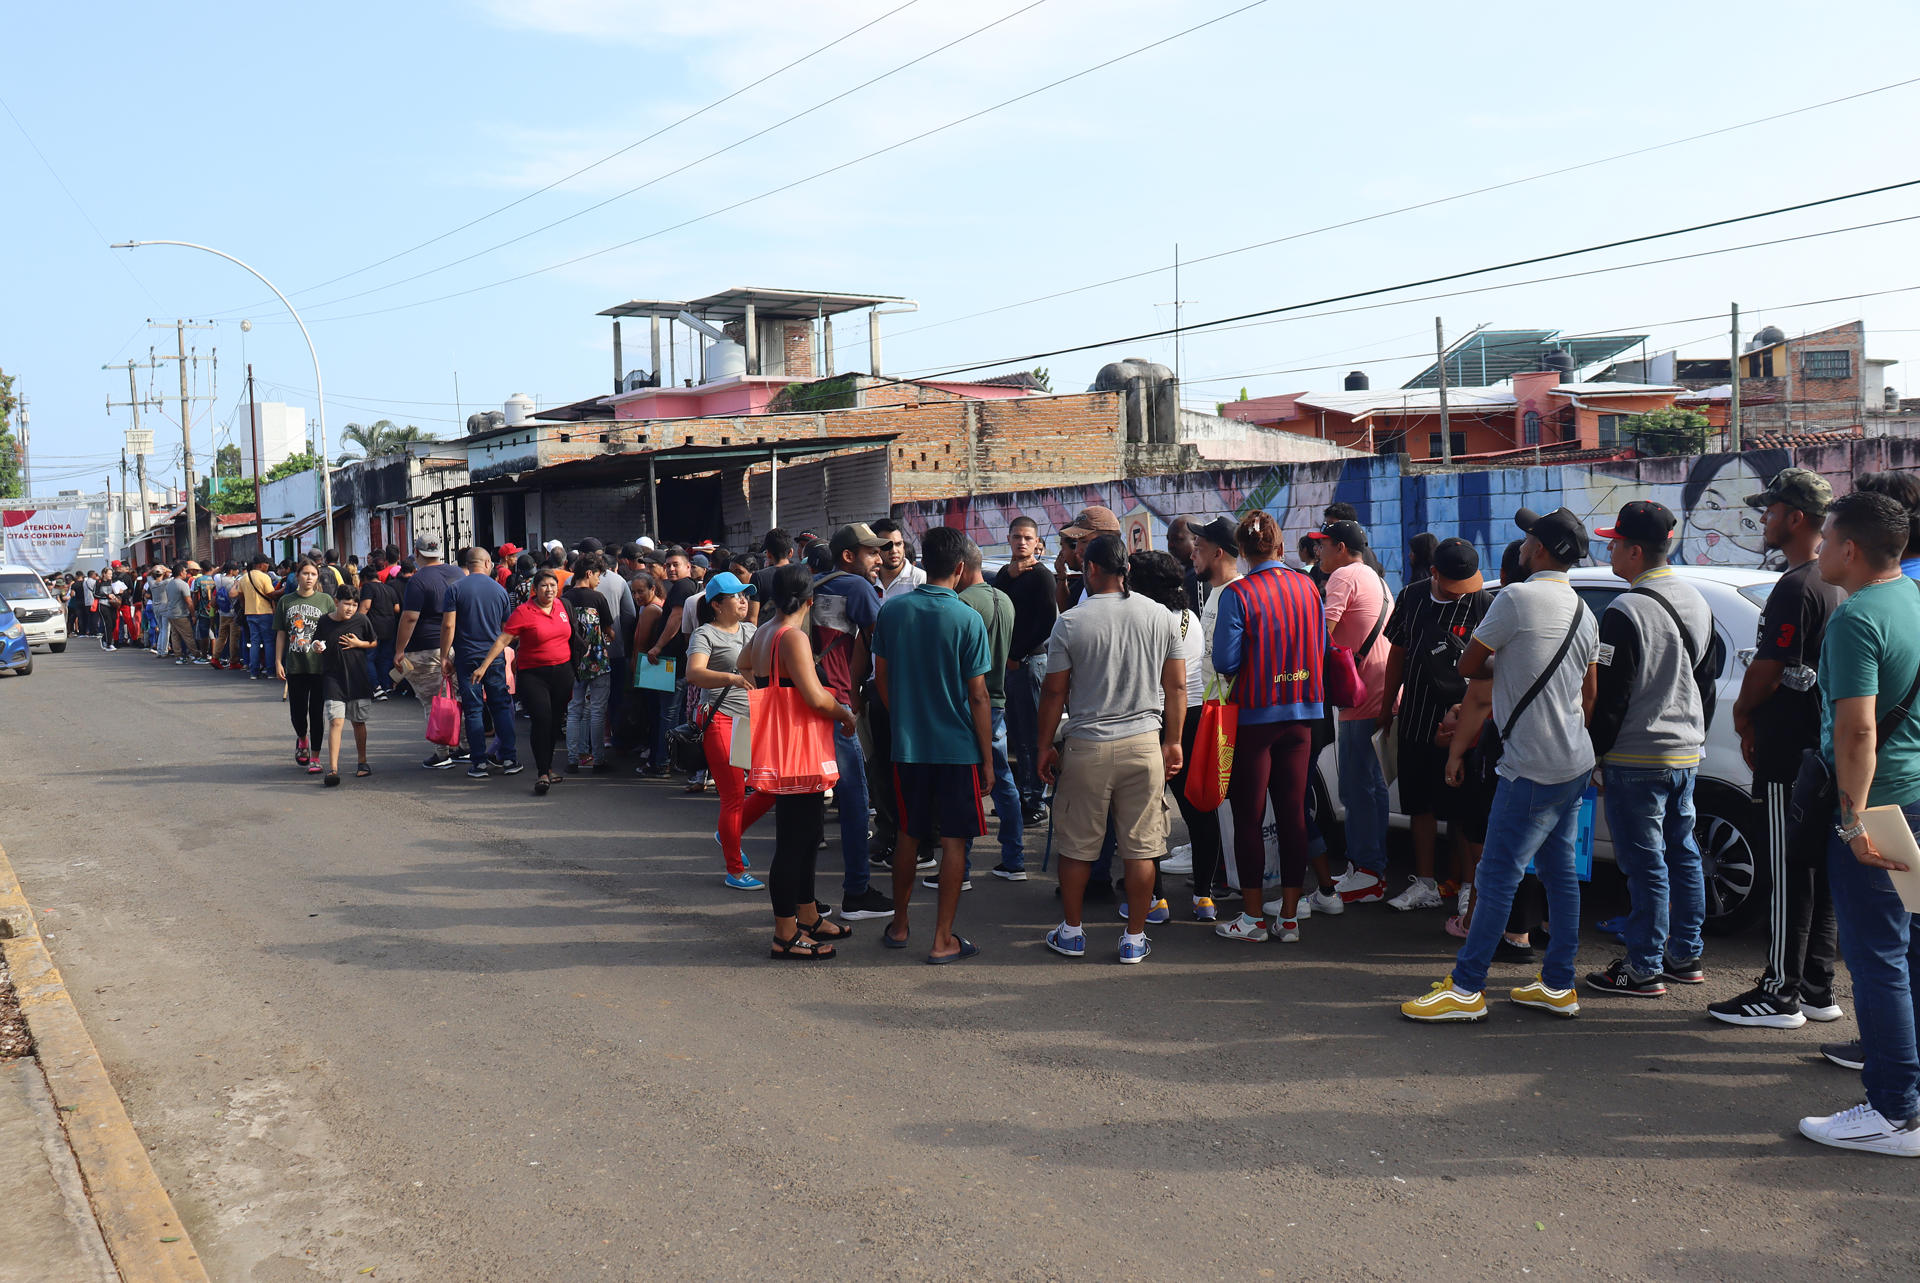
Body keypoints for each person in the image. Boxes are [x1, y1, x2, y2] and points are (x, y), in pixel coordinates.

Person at [1402, 507, 1599, 1023]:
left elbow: (1469, 665)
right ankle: (1559, 984)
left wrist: (1507, 663)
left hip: (1530, 763)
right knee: (1559, 875)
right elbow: (1589, 693)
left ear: (1542, 550)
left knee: (1496, 875)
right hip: (1573, 759)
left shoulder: (1516, 597)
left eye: (1532, 537)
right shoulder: (1584, 610)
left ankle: (1467, 988)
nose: (1526, 544)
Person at [1795, 489, 1920, 1156]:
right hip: (1917, 799)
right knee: (1913, 951)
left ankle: (1894, 1111)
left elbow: (1857, 730)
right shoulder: (1916, 600)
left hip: (1881, 808)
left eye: (1826, 538)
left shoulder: (1856, 618)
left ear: (1850, 547)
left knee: (1878, 961)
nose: (1819, 550)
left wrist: (1853, 820)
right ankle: (1910, 1097)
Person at [1714, 469, 1846, 1030]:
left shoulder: (1796, 586)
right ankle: (1815, 987)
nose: (1763, 519)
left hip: (1788, 752)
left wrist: (1744, 716)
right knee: (1816, 873)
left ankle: (1779, 992)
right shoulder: (1836, 582)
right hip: (1817, 754)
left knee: (1788, 871)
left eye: (1770, 510)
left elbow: (1767, 668)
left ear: (1795, 517)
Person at [1584, 501, 1719, 999]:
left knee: (1645, 864)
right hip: (1685, 752)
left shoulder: (1625, 610)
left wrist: (1595, 756)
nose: (1610, 549)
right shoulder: (1696, 600)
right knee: (1683, 854)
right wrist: (1693, 735)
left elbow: (1611, 697)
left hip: (1637, 757)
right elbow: (1704, 681)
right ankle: (1685, 955)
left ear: (1636, 550)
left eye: (1615, 542)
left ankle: (1642, 967)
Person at [1038, 533, 1186, 964]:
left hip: (1087, 746)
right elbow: (1175, 686)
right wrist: (1173, 741)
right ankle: (1134, 938)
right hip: (1144, 745)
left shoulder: (1071, 621)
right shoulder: (1160, 616)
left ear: (1093, 569)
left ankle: (1071, 932)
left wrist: (1045, 745)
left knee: (1078, 847)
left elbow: (1053, 693)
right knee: (1142, 848)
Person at [874, 526, 994, 965]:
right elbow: (978, 695)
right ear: (960, 568)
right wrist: (987, 759)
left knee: (908, 834)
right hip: (957, 749)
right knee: (955, 843)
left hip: (909, 747)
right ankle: (943, 938)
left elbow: (881, 679)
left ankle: (901, 924)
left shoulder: (893, 611)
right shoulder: (967, 618)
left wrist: (904, 716)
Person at [1210, 513, 1324, 943]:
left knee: (1249, 816)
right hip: (1302, 712)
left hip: (1256, 716)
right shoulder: (1308, 587)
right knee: (1295, 814)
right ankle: (1290, 917)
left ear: (1242, 551)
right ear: (1280, 546)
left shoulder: (1237, 594)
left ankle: (1254, 918)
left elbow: (1225, 662)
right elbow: (1322, 645)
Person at [742, 564, 859, 960]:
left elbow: (744, 666)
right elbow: (813, 696)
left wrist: (763, 690)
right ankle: (785, 932)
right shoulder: (792, 636)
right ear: (810, 600)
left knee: (806, 834)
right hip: (796, 748)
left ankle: (807, 914)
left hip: (785, 745)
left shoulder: (762, 632)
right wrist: (844, 713)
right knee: (794, 840)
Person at [1375, 537, 1493, 909]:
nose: (1461, 593)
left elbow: (1495, 669)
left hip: (1467, 725)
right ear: (1434, 573)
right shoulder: (1411, 597)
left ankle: (1466, 890)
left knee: (1463, 812)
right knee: (1419, 804)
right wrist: (1386, 704)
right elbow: (1398, 653)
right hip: (1417, 715)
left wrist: (1468, 713)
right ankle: (1424, 884)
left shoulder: (1485, 603)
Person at [812, 523, 896, 920]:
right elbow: (886, 638)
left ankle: (804, 899)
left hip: (806, 702)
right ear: (849, 555)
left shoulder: (815, 583)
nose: (879, 559)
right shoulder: (856, 587)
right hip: (836, 705)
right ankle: (857, 892)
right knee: (855, 798)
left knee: (808, 800)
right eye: (871, 552)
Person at [1314, 519, 1395, 903]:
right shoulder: (1377, 578)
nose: (1319, 552)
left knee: (1356, 787)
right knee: (1372, 786)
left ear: (1342, 548)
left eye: (1324, 544)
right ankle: (1370, 866)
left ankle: (1367, 872)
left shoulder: (1343, 576)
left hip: (1360, 697)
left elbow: (1321, 633)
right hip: (1381, 691)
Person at [687, 571, 771, 890]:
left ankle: (728, 833)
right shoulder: (705, 634)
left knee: (768, 788)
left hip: (751, 721)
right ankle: (735, 871)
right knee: (734, 796)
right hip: (721, 719)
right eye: (736, 595)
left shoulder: (751, 629)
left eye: (745, 594)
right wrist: (732, 679)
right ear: (717, 604)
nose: (743, 600)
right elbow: (694, 673)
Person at [955, 542, 1025, 882]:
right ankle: (1013, 858)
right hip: (998, 698)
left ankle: (961, 868)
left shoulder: (965, 604)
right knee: (1003, 782)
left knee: (967, 786)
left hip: (973, 701)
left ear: (961, 567)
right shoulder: (1006, 601)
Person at [473, 570, 574, 794]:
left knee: (554, 723)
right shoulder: (523, 611)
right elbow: (503, 639)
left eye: (552, 585)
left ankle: (548, 766)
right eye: (544, 586)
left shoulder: (562, 606)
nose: (549, 590)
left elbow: (572, 636)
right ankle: (542, 773)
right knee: (542, 720)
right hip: (533, 675)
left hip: (563, 673)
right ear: (535, 589)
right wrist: (484, 665)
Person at [994, 516, 1057, 825]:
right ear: (1009, 538)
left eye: (1027, 538)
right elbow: (996, 604)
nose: (1021, 542)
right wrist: (1008, 574)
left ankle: (1035, 801)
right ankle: (1020, 796)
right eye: (1017, 536)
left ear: (1037, 543)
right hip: (1010, 665)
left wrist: (1017, 654)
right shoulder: (1007, 575)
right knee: (1015, 736)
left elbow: (1047, 623)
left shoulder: (1043, 577)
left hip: (1031, 663)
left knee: (1032, 735)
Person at [446, 547, 520, 779]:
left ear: (468, 565)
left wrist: (443, 657)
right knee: (500, 706)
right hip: (494, 657)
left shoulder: (455, 589)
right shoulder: (499, 590)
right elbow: (507, 629)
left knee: (474, 708)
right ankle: (509, 758)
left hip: (466, 657)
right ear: (487, 563)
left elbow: (448, 626)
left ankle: (478, 763)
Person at [395, 536, 467, 769]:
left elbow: (410, 617)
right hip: (456, 646)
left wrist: (399, 650)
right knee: (456, 699)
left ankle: (442, 753)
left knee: (433, 703)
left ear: (416, 552)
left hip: (426, 649)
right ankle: (463, 746)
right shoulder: (457, 574)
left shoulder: (418, 581)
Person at [274, 561, 336, 775]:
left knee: (317, 713)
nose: (309, 577)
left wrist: (326, 647)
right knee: (297, 713)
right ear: (297, 576)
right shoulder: (286, 601)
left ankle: (316, 758)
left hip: (319, 667)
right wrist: (278, 661)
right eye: (305, 573)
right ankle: (302, 738)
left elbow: (332, 631)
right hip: (295, 666)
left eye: (313, 574)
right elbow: (281, 632)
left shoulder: (326, 601)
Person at [316, 592, 377, 785]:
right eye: (346, 604)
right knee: (336, 721)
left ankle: (362, 762)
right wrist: (317, 646)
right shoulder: (324, 621)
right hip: (333, 678)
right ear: (336, 602)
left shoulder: (362, 620)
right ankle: (333, 769)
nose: (350, 608)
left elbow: (374, 641)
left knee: (358, 722)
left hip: (358, 678)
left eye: (354, 604)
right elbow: (317, 641)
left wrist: (359, 644)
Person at [562, 553, 616, 774]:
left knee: (574, 710)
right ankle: (598, 760)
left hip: (571, 661)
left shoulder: (563, 599)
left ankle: (573, 759)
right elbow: (609, 630)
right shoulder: (598, 598)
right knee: (597, 710)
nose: (599, 580)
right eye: (599, 575)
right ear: (589, 573)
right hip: (597, 661)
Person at [1055, 505, 1120, 612]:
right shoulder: (1085, 582)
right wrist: (1062, 578)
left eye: (1084, 541)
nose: (1077, 550)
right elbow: (1068, 612)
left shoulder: (1130, 584)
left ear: (1108, 541)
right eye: (1077, 542)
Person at [357, 554, 402, 699]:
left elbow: (364, 608)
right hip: (390, 628)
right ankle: (386, 686)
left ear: (364, 578)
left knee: (368, 658)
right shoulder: (389, 588)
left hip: (373, 630)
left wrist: (356, 625)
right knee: (385, 658)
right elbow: (397, 609)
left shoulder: (368, 587)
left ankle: (376, 688)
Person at [871, 518, 925, 602]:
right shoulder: (867, 579)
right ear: (875, 548)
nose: (894, 551)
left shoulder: (920, 579)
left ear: (903, 544)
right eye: (887, 545)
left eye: (898, 544)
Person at [747, 528, 793, 626]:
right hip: (797, 634)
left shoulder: (758, 577)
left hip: (768, 636)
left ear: (768, 554)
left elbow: (752, 619)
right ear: (791, 552)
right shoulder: (803, 574)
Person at [1166, 516, 1203, 612]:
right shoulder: (1181, 575)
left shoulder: (1202, 578)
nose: (1170, 545)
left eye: (1177, 539)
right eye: (1168, 539)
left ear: (1196, 540)